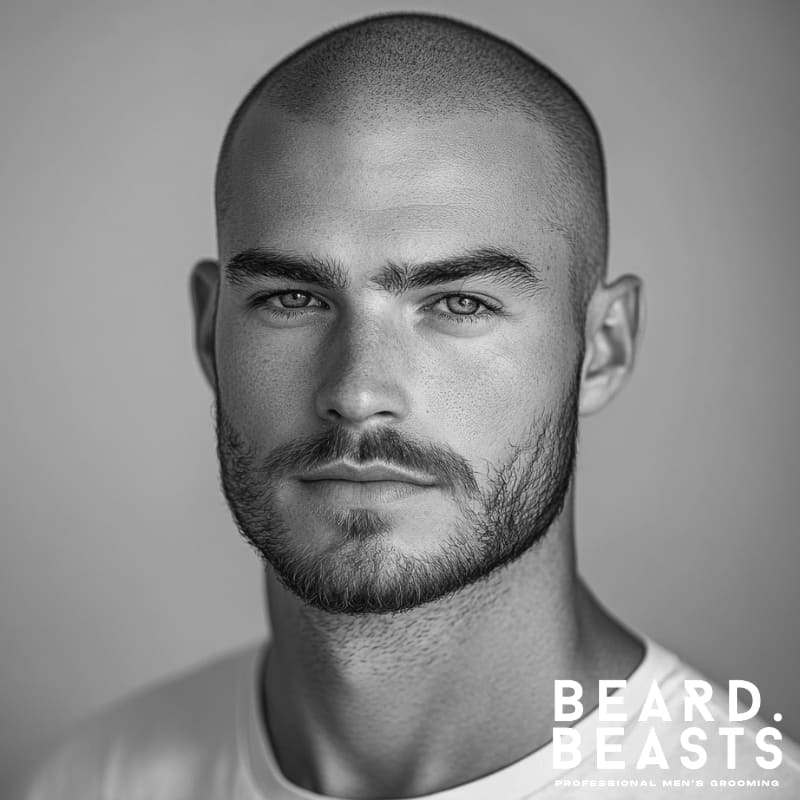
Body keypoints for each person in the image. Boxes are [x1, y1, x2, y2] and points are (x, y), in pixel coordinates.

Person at [10, 12, 800, 800]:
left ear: (604, 347)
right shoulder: (90, 780)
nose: (356, 394)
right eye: (293, 298)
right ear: (211, 330)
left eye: (458, 303)